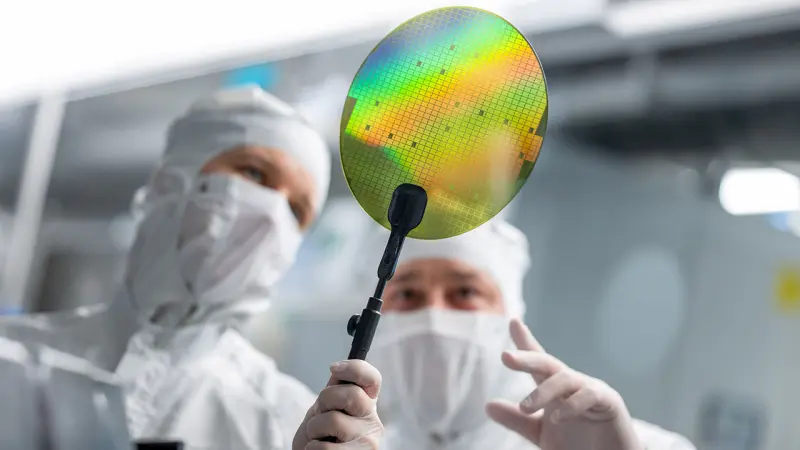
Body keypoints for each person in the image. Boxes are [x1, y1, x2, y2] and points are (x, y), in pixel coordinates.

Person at [115, 86, 382, 450]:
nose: (273, 215)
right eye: (255, 174)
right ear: (170, 181)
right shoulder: (16, 361)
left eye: (296, 210)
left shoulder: (289, 421)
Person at [364, 219, 696, 450]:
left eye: (465, 292)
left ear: (510, 314)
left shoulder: (616, 442)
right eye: (407, 295)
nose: (434, 316)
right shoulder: (351, 443)